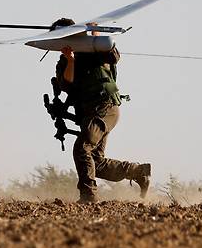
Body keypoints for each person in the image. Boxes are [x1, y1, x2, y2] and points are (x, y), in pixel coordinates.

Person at [53, 18, 150, 203]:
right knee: (96, 162)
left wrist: (96, 37)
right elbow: (66, 84)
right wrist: (70, 61)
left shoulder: (92, 50)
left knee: (82, 148)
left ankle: (89, 196)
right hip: (91, 112)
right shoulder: (64, 61)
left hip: (106, 108)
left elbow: (114, 57)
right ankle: (139, 172)